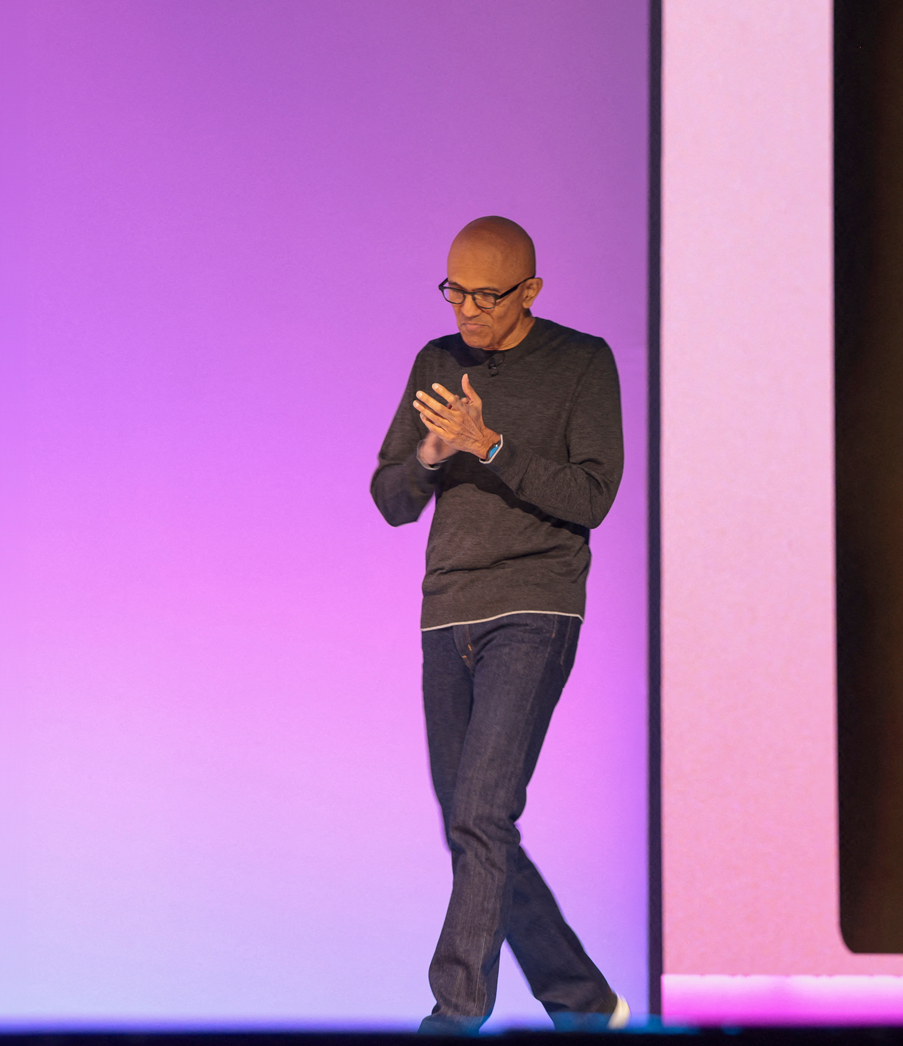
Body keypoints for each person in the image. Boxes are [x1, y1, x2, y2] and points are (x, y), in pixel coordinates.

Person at [372, 216, 629, 1030]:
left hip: (535, 605)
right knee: (471, 828)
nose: (468, 311)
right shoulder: (438, 362)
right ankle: (585, 1006)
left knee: (483, 813)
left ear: (531, 291)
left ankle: (453, 1017)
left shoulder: (583, 362)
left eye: (486, 296)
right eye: (455, 291)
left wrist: (489, 446)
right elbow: (389, 499)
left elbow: (592, 495)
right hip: (447, 612)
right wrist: (430, 456)